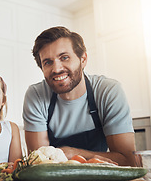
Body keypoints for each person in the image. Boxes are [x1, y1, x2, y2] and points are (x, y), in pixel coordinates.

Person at [23, 26, 136, 166]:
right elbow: (38, 164)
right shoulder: (36, 96)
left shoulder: (108, 91)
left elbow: (129, 161)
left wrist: (75, 154)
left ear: (83, 59)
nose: (57, 69)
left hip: (101, 180)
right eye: (47, 62)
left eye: (64, 57)